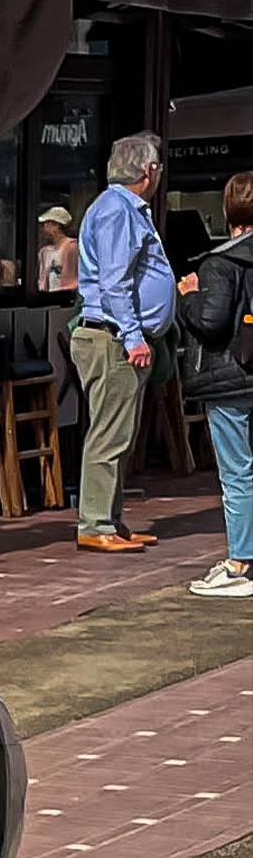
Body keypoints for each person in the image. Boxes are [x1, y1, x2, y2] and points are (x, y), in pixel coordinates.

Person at [72, 134, 183, 552]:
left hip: (117, 336)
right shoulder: (119, 211)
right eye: (158, 170)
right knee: (109, 433)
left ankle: (111, 520)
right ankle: (95, 524)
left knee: (121, 432)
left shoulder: (123, 208)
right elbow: (116, 282)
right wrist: (134, 337)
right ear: (147, 171)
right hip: (112, 337)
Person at [180, 171, 253, 598]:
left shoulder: (219, 262)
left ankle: (241, 562)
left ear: (228, 210)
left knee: (238, 471)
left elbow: (210, 322)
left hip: (229, 377)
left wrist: (189, 295)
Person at [37, 207, 81, 294]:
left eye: (46, 223)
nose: (43, 228)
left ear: (56, 225)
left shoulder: (72, 247)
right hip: (49, 298)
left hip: (65, 297)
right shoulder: (44, 251)